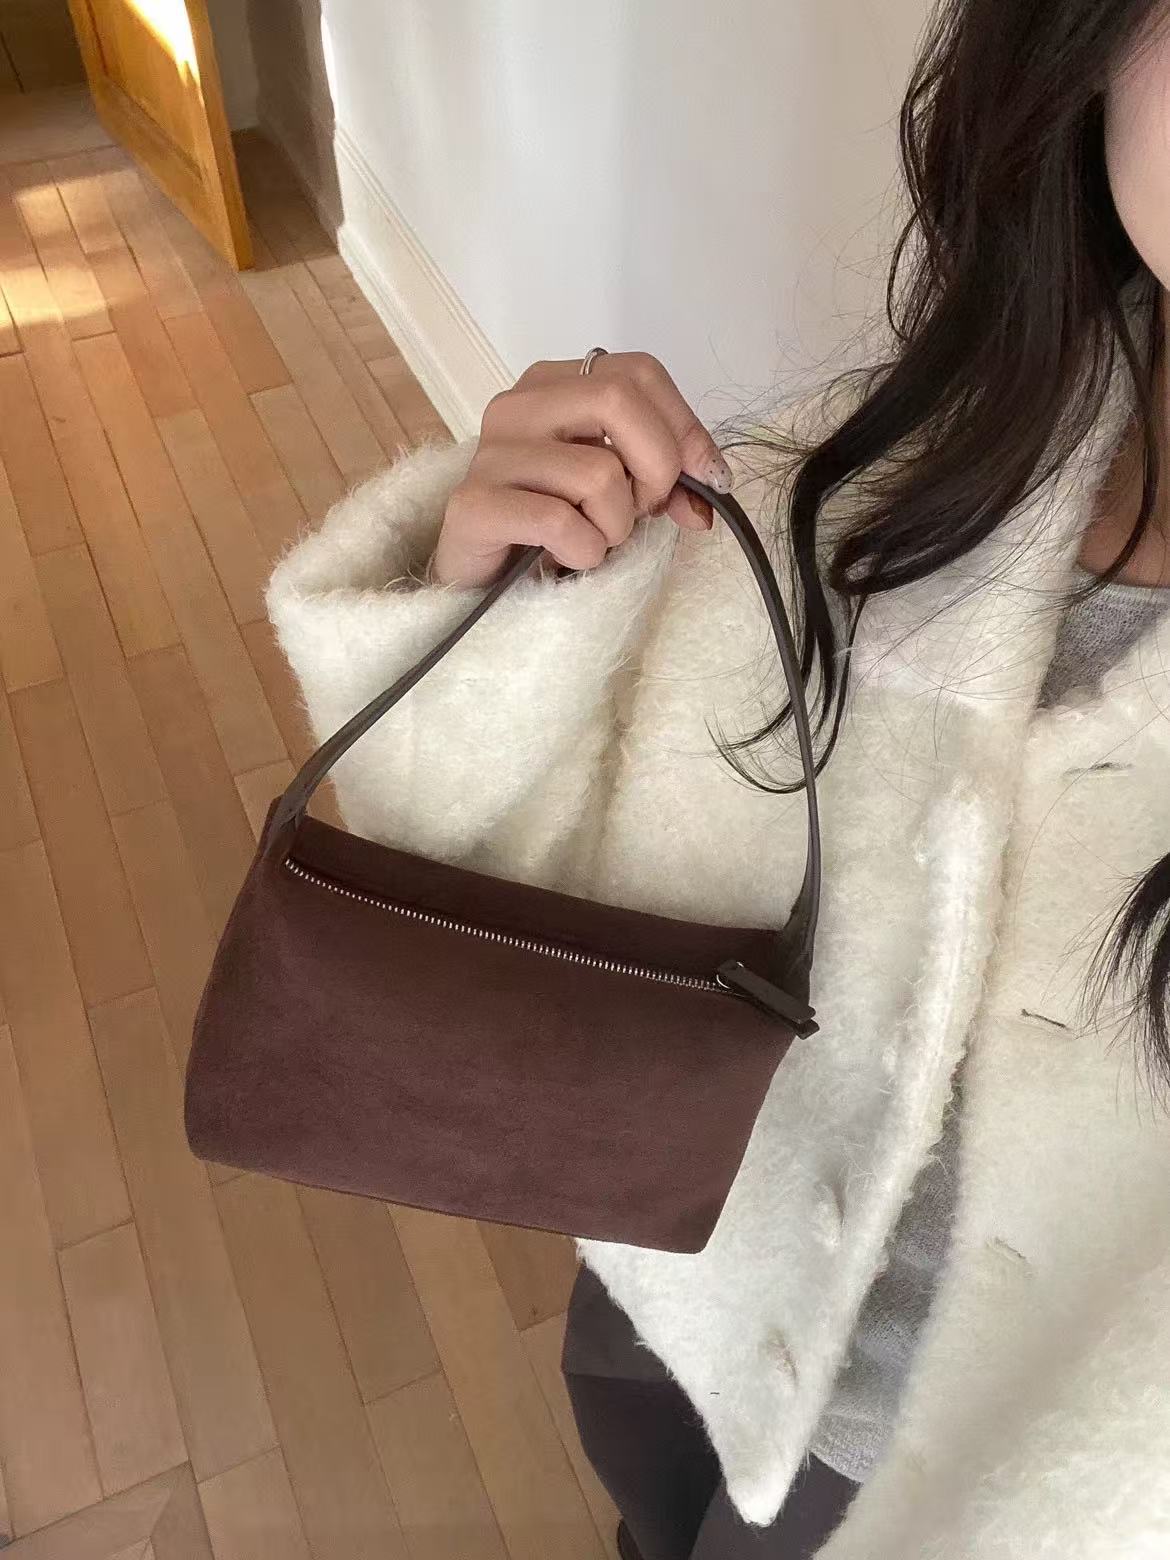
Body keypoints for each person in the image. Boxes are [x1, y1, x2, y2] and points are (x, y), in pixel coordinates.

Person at [267, 1, 1170, 1554]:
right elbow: (545, 913)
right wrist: (499, 610)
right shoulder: (872, 475)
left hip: (953, 1501)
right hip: (674, 1284)